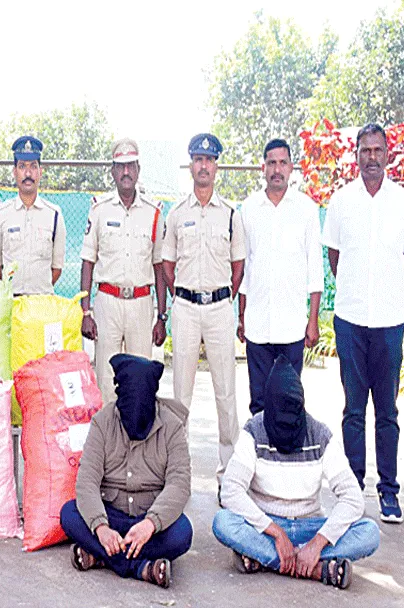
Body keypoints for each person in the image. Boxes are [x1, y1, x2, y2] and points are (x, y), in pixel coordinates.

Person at [322, 123, 404, 524]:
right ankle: (352, 492)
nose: (371, 157)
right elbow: (335, 257)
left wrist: (385, 291)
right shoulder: (341, 201)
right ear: (356, 155)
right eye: (364, 151)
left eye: (377, 150)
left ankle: (389, 491)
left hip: (388, 322)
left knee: (386, 410)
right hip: (350, 319)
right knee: (352, 410)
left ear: (387, 154)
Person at [213, 356, 380, 590]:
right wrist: (276, 533)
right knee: (223, 523)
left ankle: (269, 559)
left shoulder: (320, 435)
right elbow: (230, 491)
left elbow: (353, 498)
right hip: (266, 527)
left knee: (369, 533)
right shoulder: (254, 431)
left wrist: (318, 543)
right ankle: (314, 569)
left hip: (310, 526)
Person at [60, 354, 192, 588]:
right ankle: (141, 568)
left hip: (150, 521)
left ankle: (102, 557)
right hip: (111, 515)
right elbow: (87, 481)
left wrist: (150, 524)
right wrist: (100, 528)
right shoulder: (103, 422)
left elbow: (179, 484)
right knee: (69, 514)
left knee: (182, 533)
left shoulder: (172, 426)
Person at [162, 132, 245, 490]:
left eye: (209, 160)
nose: (204, 166)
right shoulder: (177, 214)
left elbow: (238, 266)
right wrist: (183, 296)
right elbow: (167, 264)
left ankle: (230, 474)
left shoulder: (230, 215)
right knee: (181, 394)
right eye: (198, 159)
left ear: (217, 166)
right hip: (185, 307)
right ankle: (180, 474)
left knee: (226, 393)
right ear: (190, 165)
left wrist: (221, 297)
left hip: (218, 309)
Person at [237, 138, 323, 414]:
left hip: (292, 327)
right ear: (263, 168)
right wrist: (241, 316)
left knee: (289, 401)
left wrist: (312, 321)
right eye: (271, 163)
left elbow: (315, 270)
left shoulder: (307, 209)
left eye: (282, 163)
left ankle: (287, 457)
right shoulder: (248, 209)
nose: (277, 169)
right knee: (259, 403)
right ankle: (259, 456)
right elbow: (244, 268)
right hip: (258, 325)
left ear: (291, 168)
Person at [80, 138, 168, 404]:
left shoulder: (154, 213)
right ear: (112, 172)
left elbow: (159, 267)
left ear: (138, 170)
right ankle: (109, 442)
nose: (126, 172)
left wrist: (161, 316)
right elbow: (88, 261)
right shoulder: (99, 209)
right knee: (106, 379)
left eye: (131, 166)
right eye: (120, 167)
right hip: (107, 302)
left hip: (141, 303)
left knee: (141, 377)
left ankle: (137, 442)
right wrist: (86, 311)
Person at [0, 136, 66, 295]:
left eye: (33, 166)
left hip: (42, 304)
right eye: (22, 166)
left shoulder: (54, 215)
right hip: (12, 305)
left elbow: (56, 269)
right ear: (14, 172)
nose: (28, 173)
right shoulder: (1, 214)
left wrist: (36, 292)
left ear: (40, 172)